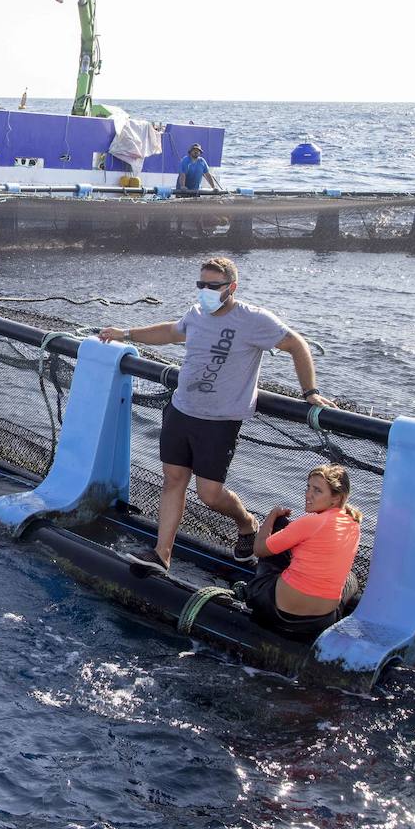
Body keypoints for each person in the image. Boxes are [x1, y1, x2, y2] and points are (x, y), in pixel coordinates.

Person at [99, 256, 336, 572]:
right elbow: (171, 331)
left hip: (219, 421)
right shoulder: (196, 314)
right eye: (201, 285)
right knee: (173, 480)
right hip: (181, 409)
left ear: (231, 288)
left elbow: (297, 345)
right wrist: (125, 333)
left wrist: (310, 392)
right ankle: (161, 555)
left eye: (213, 286)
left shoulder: (253, 319)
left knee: (209, 494)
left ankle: (246, 522)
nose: (205, 291)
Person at [244, 464, 362, 639]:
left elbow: (259, 550)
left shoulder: (309, 523)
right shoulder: (355, 527)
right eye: (308, 487)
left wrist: (273, 515)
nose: (308, 494)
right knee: (351, 578)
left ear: (335, 499)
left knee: (280, 525)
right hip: (321, 621)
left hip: (277, 611)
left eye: (317, 491)